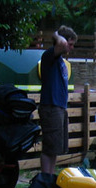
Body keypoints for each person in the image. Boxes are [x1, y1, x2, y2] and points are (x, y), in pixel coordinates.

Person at [39, 26, 77, 175]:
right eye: (71, 44)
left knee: (55, 148)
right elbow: (60, 43)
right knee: (49, 148)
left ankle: (50, 178)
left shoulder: (60, 59)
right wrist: (56, 33)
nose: (72, 48)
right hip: (51, 106)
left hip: (59, 107)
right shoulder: (50, 55)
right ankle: (45, 180)